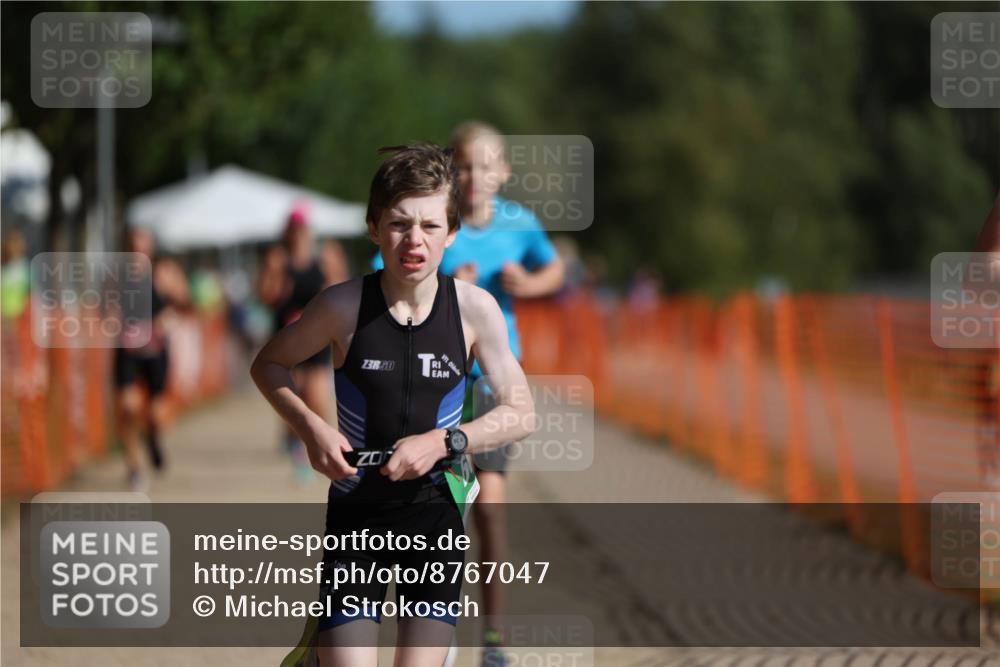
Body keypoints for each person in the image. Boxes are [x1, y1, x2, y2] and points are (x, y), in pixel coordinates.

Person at [253, 143, 536, 667]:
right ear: (374, 227)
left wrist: (446, 441)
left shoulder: (475, 311)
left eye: (430, 226)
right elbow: (268, 365)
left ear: (452, 233)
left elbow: (522, 412)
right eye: (400, 223)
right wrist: (311, 427)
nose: (414, 240)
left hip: (435, 516)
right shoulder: (340, 306)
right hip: (356, 517)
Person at [376, 122, 564, 664]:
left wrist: (531, 284)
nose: (474, 176)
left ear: (503, 172)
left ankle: (495, 636)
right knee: (444, 509)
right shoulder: (438, 225)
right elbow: (385, 273)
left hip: (491, 383)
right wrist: (453, 276)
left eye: (485, 166)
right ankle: (437, 623)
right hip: (436, 378)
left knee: (490, 508)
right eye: (462, 165)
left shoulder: (520, 223)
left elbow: (554, 268)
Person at [257, 203, 345, 481]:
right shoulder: (277, 258)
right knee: (294, 396)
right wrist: (277, 281)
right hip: (286, 338)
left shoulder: (324, 255)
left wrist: (328, 286)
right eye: (294, 228)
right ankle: (300, 449)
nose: (298, 233)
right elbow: (265, 297)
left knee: (316, 396)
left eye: (302, 228)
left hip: (317, 335)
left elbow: (341, 289)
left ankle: (330, 444)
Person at [114, 227, 189, 490]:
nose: (137, 248)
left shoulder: (162, 272)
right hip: (127, 351)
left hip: (155, 352)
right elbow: (103, 309)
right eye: (133, 243)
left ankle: (153, 439)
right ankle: (134, 470)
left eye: (142, 243)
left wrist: (170, 310)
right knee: (128, 407)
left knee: (155, 416)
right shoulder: (116, 275)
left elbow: (185, 301)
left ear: (150, 247)